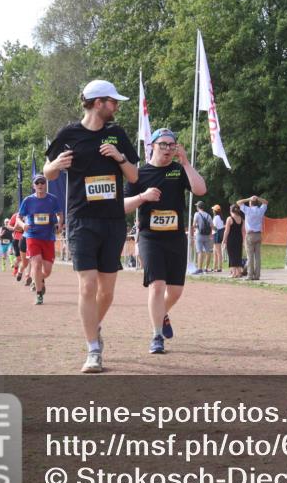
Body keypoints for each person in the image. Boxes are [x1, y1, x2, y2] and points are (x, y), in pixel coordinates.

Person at [44, 79, 139, 374]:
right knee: (87, 285)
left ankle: (93, 326)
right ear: (98, 103)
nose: (117, 107)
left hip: (112, 220)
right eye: (113, 102)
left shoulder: (116, 134)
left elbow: (134, 176)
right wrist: (56, 163)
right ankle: (93, 350)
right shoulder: (69, 134)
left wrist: (119, 157)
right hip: (81, 219)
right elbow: (48, 172)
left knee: (107, 292)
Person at [125, 128, 206, 354]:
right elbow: (122, 204)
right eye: (164, 145)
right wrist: (143, 197)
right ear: (152, 146)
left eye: (172, 145)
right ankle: (156, 336)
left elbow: (200, 190)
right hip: (150, 238)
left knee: (176, 291)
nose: (169, 149)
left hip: (176, 238)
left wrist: (187, 164)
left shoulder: (178, 171)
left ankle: (161, 314)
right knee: (157, 284)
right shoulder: (139, 174)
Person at [19, 174, 64, 304]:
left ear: (46, 184)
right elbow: (19, 218)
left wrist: (59, 224)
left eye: (42, 182)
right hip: (32, 236)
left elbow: (60, 214)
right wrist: (23, 225)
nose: (40, 185)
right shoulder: (28, 200)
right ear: (33, 186)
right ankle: (39, 294)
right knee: (37, 264)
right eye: (37, 183)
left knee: (47, 271)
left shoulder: (52, 199)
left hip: (48, 237)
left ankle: (36, 279)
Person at [237, 194, 268, 281]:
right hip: (258, 234)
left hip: (250, 235)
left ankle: (250, 275)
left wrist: (248, 198)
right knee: (257, 257)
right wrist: (258, 198)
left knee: (250, 256)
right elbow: (266, 202)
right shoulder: (260, 210)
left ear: (250, 203)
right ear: (257, 203)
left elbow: (238, 202)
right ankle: (257, 275)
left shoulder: (248, 210)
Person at [191, 201, 214, 274]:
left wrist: (195, 228)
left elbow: (194, 225)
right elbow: (212, 226)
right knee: (208, 252)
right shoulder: (208, 215)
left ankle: (199, 268)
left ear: (198, 207)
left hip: (199, 235)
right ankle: (206, 268)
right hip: (207, 235)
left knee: (200, 251)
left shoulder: (196, 214)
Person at [6, 212, 28, 283]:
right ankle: (16, 269)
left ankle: (27, 276)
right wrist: (14, 228)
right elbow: (8, 226)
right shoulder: (16, 215)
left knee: (28, 259)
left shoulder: (31, 214)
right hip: (17, 239)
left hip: (29, 239)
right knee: (19, 259)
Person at [224, 205, 245, 278]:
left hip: (231, 239)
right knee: (238, 255)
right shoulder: (241, 219)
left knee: (232, 255)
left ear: (231, 210)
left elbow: (227, 231)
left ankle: (233, 273)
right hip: (239, 239)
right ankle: (239, 273)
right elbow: (243, 231)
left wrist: (224, 240)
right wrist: (244, 241)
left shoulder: (229, 219)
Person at [211, 205, 225, 272]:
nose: (212, 210)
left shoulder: (216, 217)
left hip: (216, 234)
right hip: (218, 234)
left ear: (215, 211)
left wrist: (210, 226)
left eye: (213, 209)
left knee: (218, 252)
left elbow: (214, 227)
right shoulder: (220, 217)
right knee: (215, 251)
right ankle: (214, 267)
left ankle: (219, 267)